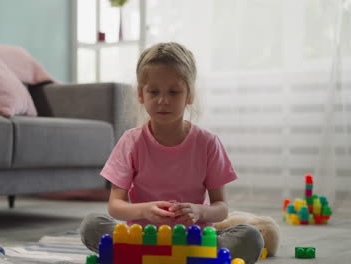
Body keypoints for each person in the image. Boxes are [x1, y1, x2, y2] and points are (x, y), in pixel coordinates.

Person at [79, 42, 264, 264]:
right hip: (142, 239)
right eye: (154, 92)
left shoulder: (208, 142)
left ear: (189, 95)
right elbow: (115, 206)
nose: (163, 100)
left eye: (174, 92)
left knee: (251, 236)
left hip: (192, 241)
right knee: (91, 224)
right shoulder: (131, 141)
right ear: (140, 94)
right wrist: (145, 211)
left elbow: (221, 208)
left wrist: (199, 211)